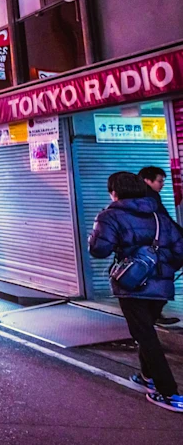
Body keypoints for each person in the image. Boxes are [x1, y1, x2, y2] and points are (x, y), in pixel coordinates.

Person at [89, 171, 183, 412]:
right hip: (162, 286)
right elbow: (179, 249)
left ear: (115, 192)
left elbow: (99, 250)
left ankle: (169, 393)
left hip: (132, 286)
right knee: (146, 331)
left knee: (145, 336)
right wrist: (159, 267)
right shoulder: (158, 214)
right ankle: (146, 376)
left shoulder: (110, 216)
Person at [139, 166, 180, 327]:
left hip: (147, 248)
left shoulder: (141, 196)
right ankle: (153, 314)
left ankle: (153, 314)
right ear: (147, 181)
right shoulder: (149, 198)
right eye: (160, 181)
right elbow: (164, 220)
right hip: (155, 247)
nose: (162, 184)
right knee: (161, 277)